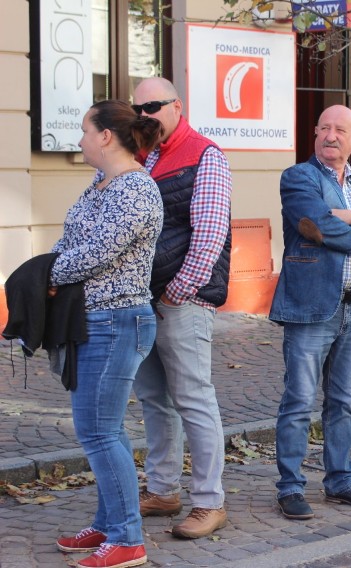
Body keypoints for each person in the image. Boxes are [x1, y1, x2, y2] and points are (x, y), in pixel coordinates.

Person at [269, 105, 351, 520]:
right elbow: (315, 225)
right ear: (315, 134)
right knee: (298, 400)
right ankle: (290, 487)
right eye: (324, 127)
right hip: (311, 307)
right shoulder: (299, 177)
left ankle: (340, 481)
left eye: (340, 129)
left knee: (343, 401)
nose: (331, 135)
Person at [52, 100, 164, 568]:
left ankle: (127, 540)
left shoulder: (136, 188)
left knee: (99, 432)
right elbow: (70, 239)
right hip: (92, 319)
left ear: (105, 136)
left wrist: (47, 274)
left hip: (117, 321)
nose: (78, 140)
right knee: (99, 429)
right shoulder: (101, 183)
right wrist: (52, 268)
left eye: (84, 131)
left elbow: (97, 251)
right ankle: (107, 521)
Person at [131, 77, 233, 539]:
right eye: (137, 108)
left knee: (193, 397)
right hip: (140, 298)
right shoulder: (138, 154)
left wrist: (178, 291)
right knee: (155, 398)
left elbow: (209, 233)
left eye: (152, 105)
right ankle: (164, 489)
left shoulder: (204, 154)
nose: (144, 114)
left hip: (181, 299)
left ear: (177, 106)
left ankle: (209, 501)